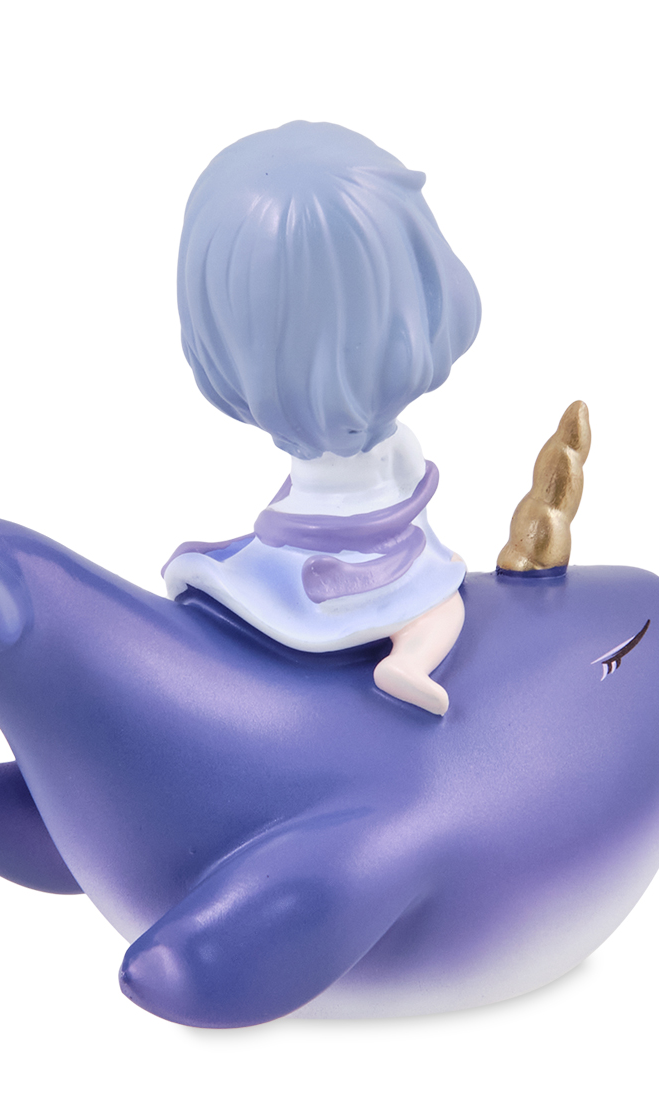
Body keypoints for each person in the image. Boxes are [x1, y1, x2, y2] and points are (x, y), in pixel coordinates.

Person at [164, 121, 481, 714]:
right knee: (442, 608)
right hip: (361, 552)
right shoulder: (386, 451)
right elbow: (407, 491)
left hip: (298, 536)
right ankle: (408, 661)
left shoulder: (328, 451)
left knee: (433, 568)